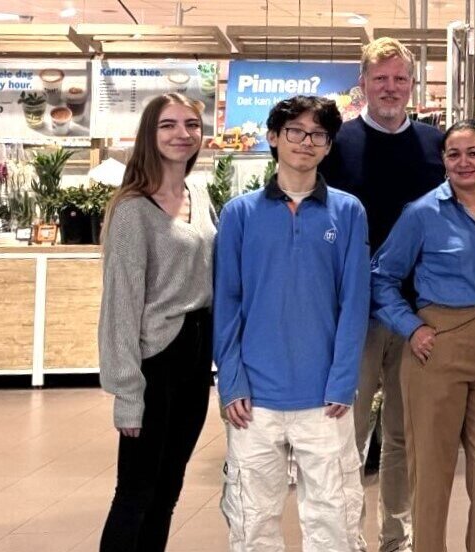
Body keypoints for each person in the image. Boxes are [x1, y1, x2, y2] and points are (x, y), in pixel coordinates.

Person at [214, 96, 369, 551]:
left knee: (335, 517)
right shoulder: (240, 214)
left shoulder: (348, 212)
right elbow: (228, 302)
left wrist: (343, 381)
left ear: (328, 146)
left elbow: (354, 300)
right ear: (273, 138)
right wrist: (231, 382)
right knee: (252, 519)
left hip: (325, 400)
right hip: (254, 401)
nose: (306, 141)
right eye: (295, 132)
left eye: (318, 134)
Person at [370, 120, 475, 552]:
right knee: (432, 475)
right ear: (443, 161)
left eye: (474, 152)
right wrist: (411, 326)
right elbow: (381, 277)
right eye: (453, 154)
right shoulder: (422, 214)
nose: (464, 162)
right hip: (438, 348)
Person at [319, 36, 445, 552]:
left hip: (419, 315)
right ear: (363, 84)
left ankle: (398, 538)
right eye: (380, 79)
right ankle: (345, 536)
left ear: (411, 85)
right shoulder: (335, 144)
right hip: (352, 315)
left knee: (403, 436)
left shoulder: (437, 145)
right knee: (344, 435)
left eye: (399, 79)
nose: (390, 88)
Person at [98, 93, 215, 551]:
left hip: (198, 351)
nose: (182, 134)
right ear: (150, 134)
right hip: (156, 358)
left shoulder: (199, 193)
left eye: (191, 125)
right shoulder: (132, 211)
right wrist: (127, 393)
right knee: (135, 492)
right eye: (168, 125)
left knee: (168, 490)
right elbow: (120, 309)